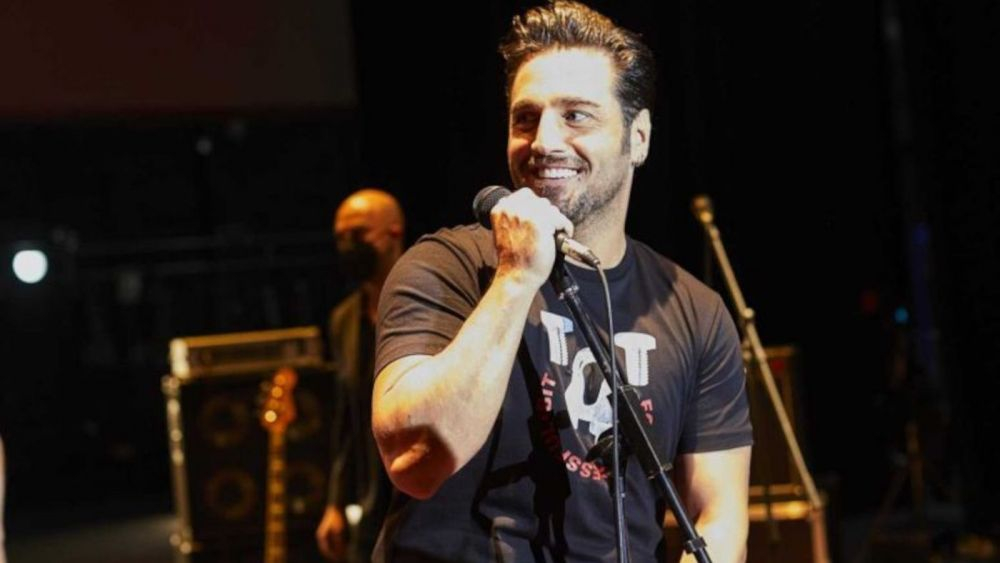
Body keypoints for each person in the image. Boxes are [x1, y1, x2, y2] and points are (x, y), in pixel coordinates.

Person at [371, 2, 753, 561]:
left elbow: (718, 517)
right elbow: (416, 459)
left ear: (638, 138)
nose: (543, 141)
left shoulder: (695, 310)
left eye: (576, 116)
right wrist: (515, 277)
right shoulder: (447, 266)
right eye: (525, 118)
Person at [316, 189, 405, 561]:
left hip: (427, 496)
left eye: (358, 234)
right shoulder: (344, 320)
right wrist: (334, 504)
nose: (348, 246)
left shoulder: (434, 300)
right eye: (341, 237)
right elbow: (346, 421)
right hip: (372, 502)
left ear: (394, 232)